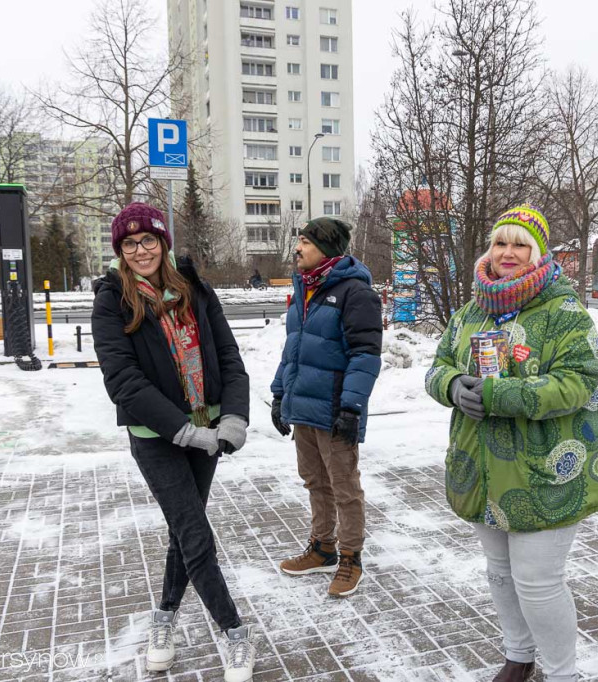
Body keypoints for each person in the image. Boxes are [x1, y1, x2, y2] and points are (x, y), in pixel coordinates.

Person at [424, 204, 598, 682]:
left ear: (538, 253)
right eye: (501, 243)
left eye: (520, 244)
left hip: (546, 469)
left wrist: (495, 393)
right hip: (483, 465)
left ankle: (563, 673)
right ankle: (518, 654)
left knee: (538, 581)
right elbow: (437, 365)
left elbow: (576, 383)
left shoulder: (564, 313)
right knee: (499, 572)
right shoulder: (471, 312)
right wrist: (451, 386)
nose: (508, 253)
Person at [91, 202, 257, 682]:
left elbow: (228, 355)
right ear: (120, 251)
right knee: (194, 532)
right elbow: (122, 379)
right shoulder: (112, 299)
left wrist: (235, 417)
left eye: (148, 240)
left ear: (164, 242)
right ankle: (233, 633)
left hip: (208, 432)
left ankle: (164, 618)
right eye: (129, 243)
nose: (140, 250)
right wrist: (180, 429)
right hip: (156, 435)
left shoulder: (195, 290)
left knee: (183, 533)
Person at [270, 217, 382, 597]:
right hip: (304, 406)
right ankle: (322, 548)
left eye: (304, 241)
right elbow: (293, 350)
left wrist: (351, 407)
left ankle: (351, 557)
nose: (297, 248)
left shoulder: (355, 293)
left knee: (344, 487)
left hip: (335, 409)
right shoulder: (305, 289)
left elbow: (366, 355)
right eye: (298, 240)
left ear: (326, 247)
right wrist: (280, 393)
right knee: (315, 482)